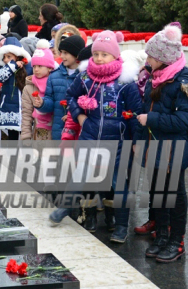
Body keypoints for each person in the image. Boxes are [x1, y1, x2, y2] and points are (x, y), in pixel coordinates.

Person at [135, 24, 188, 263]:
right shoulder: (154, 78)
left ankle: (177, 241)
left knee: (175, 194)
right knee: (158, 192)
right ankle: (162, 236)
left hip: (174, 148)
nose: (147, 59)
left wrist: (151, 119)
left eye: (151, 55)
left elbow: (183, 121)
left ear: (163, 59)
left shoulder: (182, 81)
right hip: (156, 146)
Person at [62, 31, 142, 243]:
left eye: (104, 54)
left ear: (115, 56)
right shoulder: (86, 76)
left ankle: (121, 226)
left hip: (117, 142)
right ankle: (89, 219)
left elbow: (135, 113)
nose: (98, 58)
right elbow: (70, 95)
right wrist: (79, 116)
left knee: (117, 184)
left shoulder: (126, 81)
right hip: (89, 137)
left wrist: (136, 141)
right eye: (95, 53)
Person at [34, 35, 86, 139]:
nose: (62, 56)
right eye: (61, 52)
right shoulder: (54, 76)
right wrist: (42, 103)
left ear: (76, 55)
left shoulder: (85, 76)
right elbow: (50, 100)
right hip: (59, 130)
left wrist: (74, 115)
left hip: (79, 131)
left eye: (66, 53)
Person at [0, 37, 31, 140]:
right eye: (4, 57)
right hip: (10, 108)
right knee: (12, 136)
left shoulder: (28, 67)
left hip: (25, 107)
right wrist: (12, 65)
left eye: (9, 56)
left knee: (26, 135)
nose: (5, 60)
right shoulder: (4, 68)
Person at [21, 40, 57, 141]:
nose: (36, 69)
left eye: (40, 66)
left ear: (50, 68)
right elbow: (26, 114)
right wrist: (25, 137)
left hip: (56, 132)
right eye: (34, 66)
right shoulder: (29, 87)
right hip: (38, 133)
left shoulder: (55, 83)